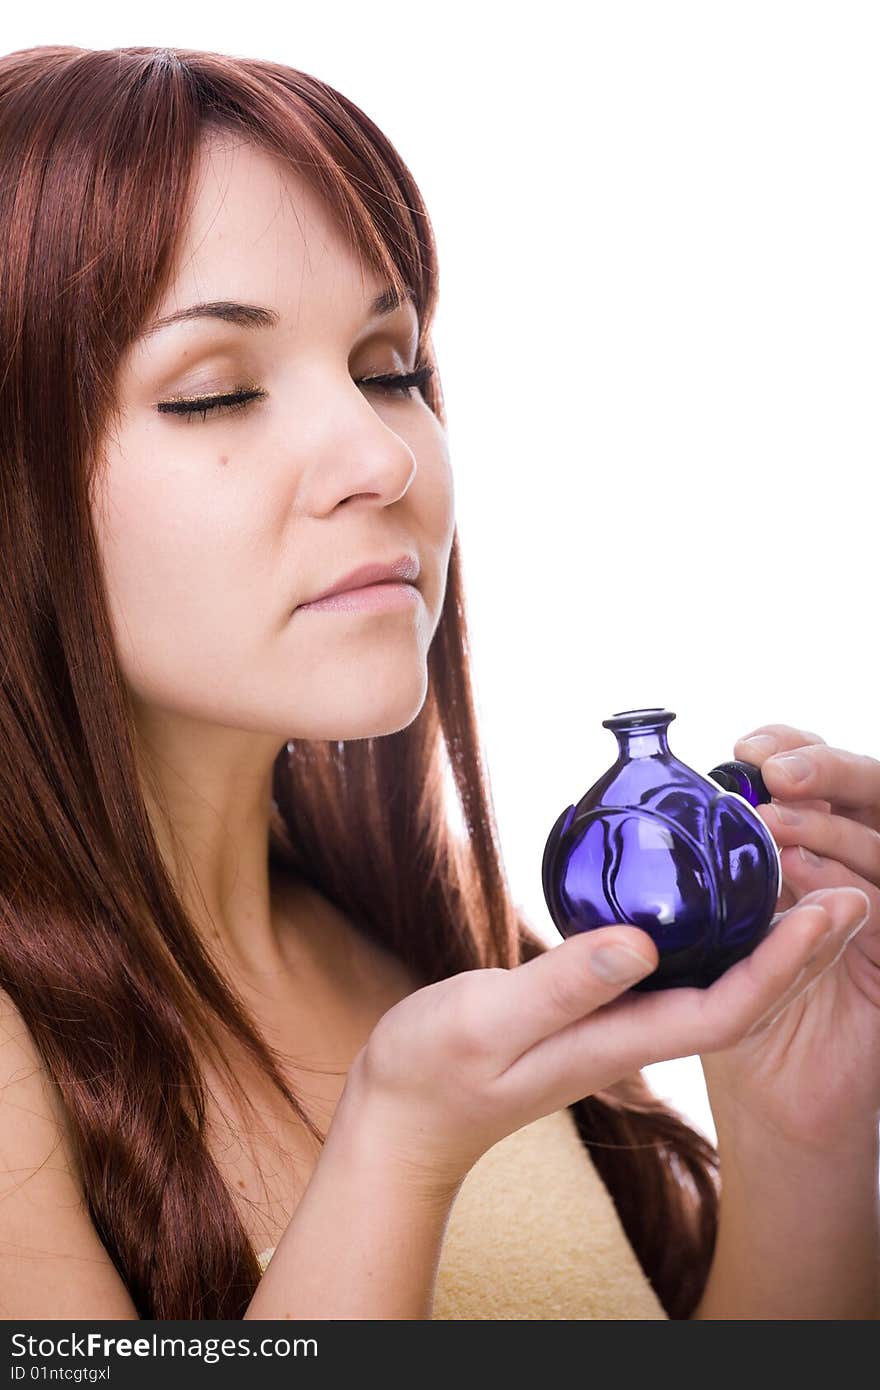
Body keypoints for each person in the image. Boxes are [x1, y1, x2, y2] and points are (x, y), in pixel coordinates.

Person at [0, 44, 877, 1323]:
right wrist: (397, 1155)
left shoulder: (437, 954)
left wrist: (801, 1130)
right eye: (215, 393)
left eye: (388, 366)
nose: (377, 455)